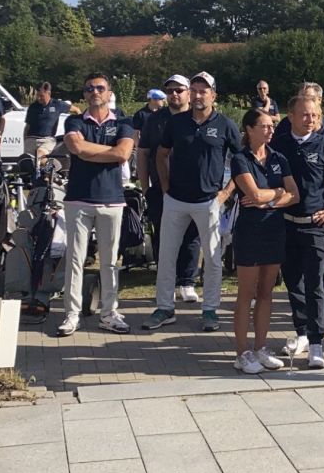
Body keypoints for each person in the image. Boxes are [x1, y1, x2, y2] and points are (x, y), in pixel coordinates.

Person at [145, 71, 241, 333]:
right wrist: (165, 188)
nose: (198, 95)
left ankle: (210, 310)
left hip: (209, 201)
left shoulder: (225, 124)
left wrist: (226, 193)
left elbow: (242, 161)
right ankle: (165, 308)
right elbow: (161, 154)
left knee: (212, 259)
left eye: (203, 91)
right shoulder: (177, 122)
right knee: (166, 256)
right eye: (195, 90)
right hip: (175, 200)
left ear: (213, 95)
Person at [271, 92, 324, 368]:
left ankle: (317, 343)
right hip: (285, 224)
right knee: (293, 281)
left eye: (315, 115)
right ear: (291, 116)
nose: (311, 120)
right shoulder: (279, 143)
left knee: (315, 284)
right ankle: (302, 333)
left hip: (316, 226)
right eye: (305, 114)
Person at [56, 74, 136, 337]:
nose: (95, 92)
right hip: (79, 198)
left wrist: (89, 150)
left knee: (110, 261)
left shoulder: (123, 122)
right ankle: (72, 314)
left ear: (109, 92)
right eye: (89, 88)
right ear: (84, 94)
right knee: (75, 259)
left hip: (112, 199)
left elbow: (123, 154)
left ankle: (109, 313)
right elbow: (75, 147)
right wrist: (107, 151)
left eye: (100, 88)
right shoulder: (74, 121)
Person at [230, 108, 299, 373]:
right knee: (246, 292)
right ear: (250, 129)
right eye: (265, 126)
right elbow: (253, 195)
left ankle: (261, 347)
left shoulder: (279, 158)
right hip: (250, 231)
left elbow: (294, 195)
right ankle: (242, 353)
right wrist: (277, 193)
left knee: (266, 292)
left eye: (272, 125)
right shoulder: (240, 159)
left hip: (274, 230)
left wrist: (270, 199)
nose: (271, 130)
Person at [137, 75, 202, 304]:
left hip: (192, 188)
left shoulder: (197, 117)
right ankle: (167, 281)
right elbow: (143, 153)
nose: (174, 94)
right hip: (160, 189)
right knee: (163, 236)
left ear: (188, 92)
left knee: (191, 236)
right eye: (170, 90)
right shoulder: (154, 120)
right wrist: (145, 187)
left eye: (179, 90)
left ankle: (187, 281)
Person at [23, 81, 72, 160]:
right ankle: (48, 165)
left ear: (48, 93)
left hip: (47, 140)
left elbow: (76, 110)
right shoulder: (33, 107)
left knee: (39, 156)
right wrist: (25, 141)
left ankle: (51, 164)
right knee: (27, 161)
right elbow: (27, 126)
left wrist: (79, 125)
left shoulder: (57, 104)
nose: (39, 98)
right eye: (37, 95)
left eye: (41, 96)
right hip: (31, 139)